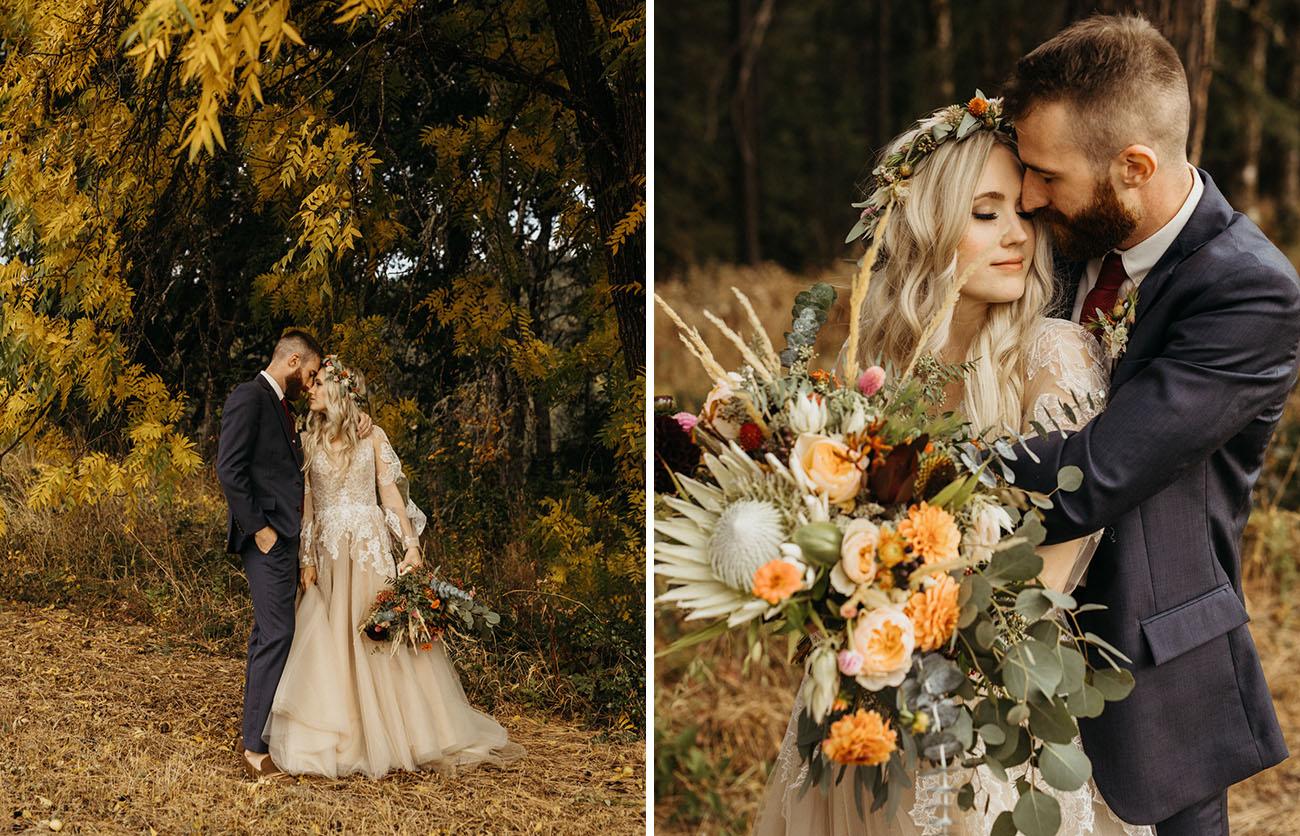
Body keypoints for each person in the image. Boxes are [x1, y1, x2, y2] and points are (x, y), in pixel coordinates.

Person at [753, 98, 1149, 833]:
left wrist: (911, 644)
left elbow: (1050, 570)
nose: (1017, 238)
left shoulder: (1052, 356)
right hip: (873, 683)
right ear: (931, 229)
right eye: (985, 213)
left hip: (1002, 702)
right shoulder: (880, 375)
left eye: (1022, 215)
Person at [1001, 15, 1295, 835]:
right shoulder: (1058, 237)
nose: (1026, 199)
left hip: (1154, 671)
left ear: (1135, 167)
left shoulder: (1251, 293)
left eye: (1046, 177)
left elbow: (1095, 475)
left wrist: (912, 470)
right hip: (1003, 654)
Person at [263, 354, 524, 778]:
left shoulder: (373, 437)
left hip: (368, 549)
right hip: (330, 554)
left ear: (340, 392)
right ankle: (344, 733)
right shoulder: (306, 439)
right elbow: (307, 506)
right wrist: (305, 558)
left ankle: (408, 733)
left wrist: (411, 546)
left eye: (318, 384)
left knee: (379, 639)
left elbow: (391, 497)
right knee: (334, 640)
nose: (309, 388)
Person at [215, 329, 323, 780]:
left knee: (269, 634)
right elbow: (229, 468)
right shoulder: (250, 396)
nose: (312, 381)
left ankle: (257, 733)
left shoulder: (283, 406)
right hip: (268, 538)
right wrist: (259, 530)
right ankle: (255, 749)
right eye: (312, 372)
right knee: (277, 634)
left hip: (284, 540)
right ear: (294, 360)